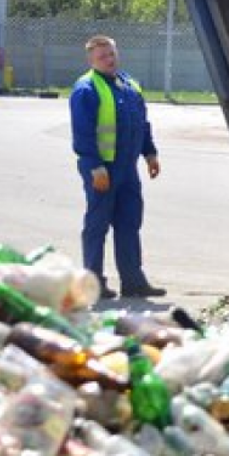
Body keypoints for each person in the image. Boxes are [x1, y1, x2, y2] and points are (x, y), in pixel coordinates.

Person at [69, 35, 166, 299]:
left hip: (127, 168)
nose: (109, 60)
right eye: (102, 57)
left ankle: (133, 282)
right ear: (91, 60)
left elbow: (142, 124)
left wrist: (150, 153)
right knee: (97, 225)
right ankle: (94, 284)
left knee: (129, 222)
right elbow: (83, 133)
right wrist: (95, 166)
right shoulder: (86, 89)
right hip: (102, 169)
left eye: (111, 54)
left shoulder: (129, 84)